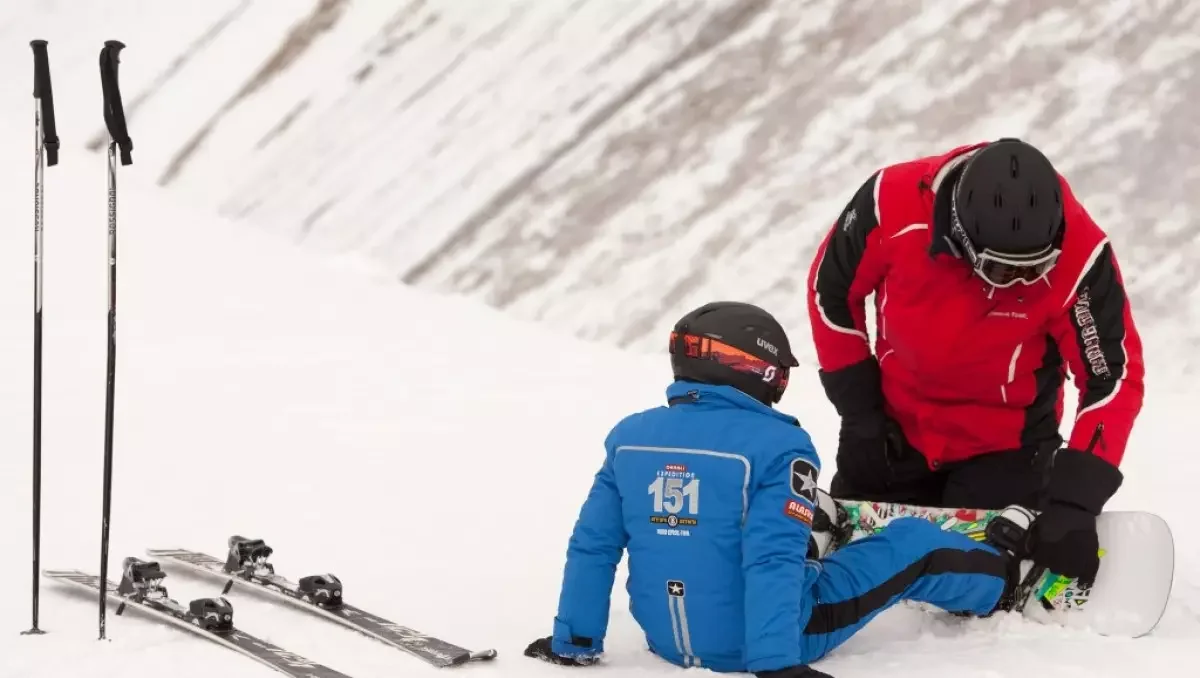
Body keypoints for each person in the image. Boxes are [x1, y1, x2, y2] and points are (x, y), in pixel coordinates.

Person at [524, 301, 1035, 676]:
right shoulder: (779, 445)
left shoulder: (629, 438)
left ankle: (812, 523)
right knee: (914, 545)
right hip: (771, 641)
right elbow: (770, 559)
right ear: (755, 370)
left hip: (668, 640)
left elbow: (593, 547)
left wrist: (574, 642)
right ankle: (1001, 578)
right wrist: (776, 665)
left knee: (734, 519)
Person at [805, 138, 1145, 587]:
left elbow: (1113, 378)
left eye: (1034, 269)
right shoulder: (890, 202)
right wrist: (860, 411)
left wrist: (1076, 500)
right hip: (892, 429)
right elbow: (831, 290)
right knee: (856, 581)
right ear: (960, 239)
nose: (1018, 282)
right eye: (1003, 270)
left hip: (1004, 445)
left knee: (969, 592)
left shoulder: (1082, 256)